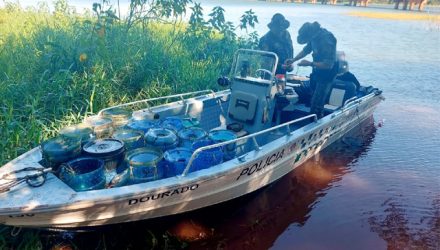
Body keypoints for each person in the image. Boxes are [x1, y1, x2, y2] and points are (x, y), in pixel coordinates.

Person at [285, 21, 337, 118]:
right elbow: (306, 50)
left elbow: (328, 65)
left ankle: (316, 121)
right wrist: (293, 60)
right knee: (312, 96)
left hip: (328, 73)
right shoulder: (314, 37)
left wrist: (310, 63)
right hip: (318, 71)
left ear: (311, 34)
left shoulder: (326, 39)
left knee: (317, 103)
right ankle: (315, 115)